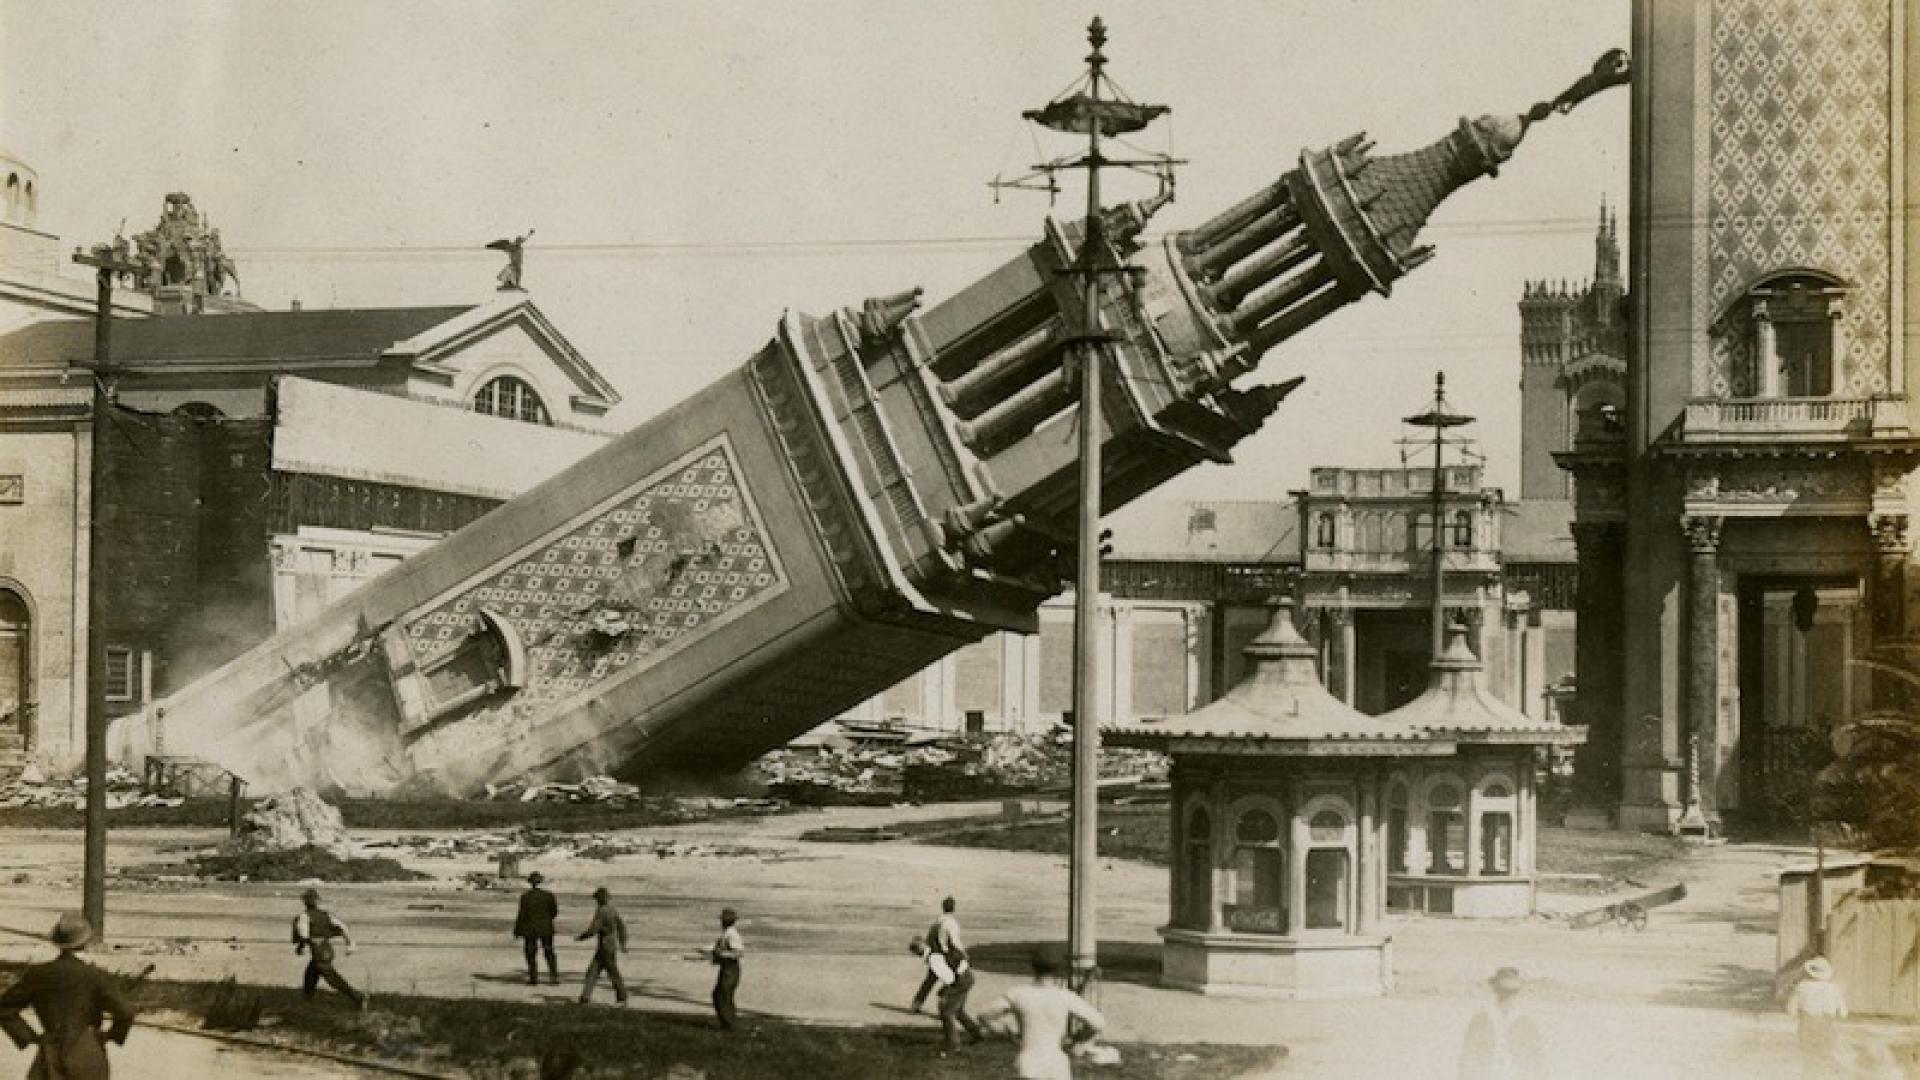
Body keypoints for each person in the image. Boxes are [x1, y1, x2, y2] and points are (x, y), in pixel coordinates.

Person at [0, 912, 135, 1079]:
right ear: (85, 942)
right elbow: (126, 1011)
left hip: (50, 1050)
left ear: (58, 944)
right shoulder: (93, 975)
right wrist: (111, 1035)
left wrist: (28, 1037)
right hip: (87, 1051)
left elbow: (4, 1007)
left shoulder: (38, 974)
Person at [977, 946, 1104, 1080]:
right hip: (1057, 1064)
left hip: (1029, 1062)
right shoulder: (1065, 996)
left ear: (1033, 967)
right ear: (1058, 969)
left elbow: (983, 1015)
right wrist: (1077, 1040)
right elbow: (1098, 1022)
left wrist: (1007, 1033)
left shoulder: (1018, 994)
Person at [1458, 966, 1547, 1080]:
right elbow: (1467, 1061)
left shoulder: (1526, 1024)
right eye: (1503, 992)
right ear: (1495, 991)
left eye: (1511, 992)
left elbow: (1536, 1062)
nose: (1507, 997)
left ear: (1516, 993)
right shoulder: (1481, 1021)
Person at [292, 888, 368, 1010]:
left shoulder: (303, 917)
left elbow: (304, 935)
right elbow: (343, 928)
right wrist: (349, 944)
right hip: (327, 948)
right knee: (311, 974)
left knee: (332, 978)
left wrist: (300, 947)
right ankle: (307, 1000)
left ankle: (357, 997)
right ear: (317, 901)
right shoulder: (326, 915)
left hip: (318, 951)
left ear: (304, 901)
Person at [909, 936, 983, 1051]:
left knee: (946, 1011)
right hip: (967, 976)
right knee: (958, 1010)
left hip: (960, 980)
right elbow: (931, 980)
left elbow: (949, 978)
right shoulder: (936, 950)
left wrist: (944, 993)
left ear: (918, 950)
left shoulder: (933, 959)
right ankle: (977, 1034)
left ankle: (953, 1044)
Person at [1784, 955, 1847, 1075]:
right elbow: (1843, 1013)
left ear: (1810, 973)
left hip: (1808, 1024)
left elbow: (1790, 1010)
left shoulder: (1802, 987)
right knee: (1824, 1057)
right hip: (1826, 1025)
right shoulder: (1833, 988)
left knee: (1809, 1058)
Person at [910, 896, 965, 1013]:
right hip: (945, 955)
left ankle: (916, 1004)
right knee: (953, 981)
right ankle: (951, 1008)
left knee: (929, 981)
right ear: (953, 908)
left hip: (933, 953)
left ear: (943, 907)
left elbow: (930, 938)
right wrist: (962, 953)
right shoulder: (951, 923)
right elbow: (954, 941)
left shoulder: (937, 921)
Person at [576, 887, 629, 1005]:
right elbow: (621, 927)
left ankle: (622, 997)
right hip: (610, 945)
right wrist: (623, 943)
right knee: (594, 971)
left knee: (609, 972)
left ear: (598, 899)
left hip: (604, 946)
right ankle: (585, 997)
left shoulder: (601, 911)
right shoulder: (612, 910)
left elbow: (594, 929)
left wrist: (581, 937)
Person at [514, 871, 561, 986]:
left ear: (530, 883)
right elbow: (554, 912)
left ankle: (533, 978)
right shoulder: (549, 895)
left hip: (530, 929)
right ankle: (554, 977)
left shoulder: (525, 897)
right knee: (549, 952)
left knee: (530, 953)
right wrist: (546, 919)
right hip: (546, 928)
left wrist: (517, 930)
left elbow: (522, 915)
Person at [708, 908, 745, 1030]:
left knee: (723, 995)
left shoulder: (731, 934)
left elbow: (739, 953)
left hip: (731, 968)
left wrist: (720, 954)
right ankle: (727, 1023)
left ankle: (728, 1024)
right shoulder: (727, 933)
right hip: (727, 968)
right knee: (722, 994)